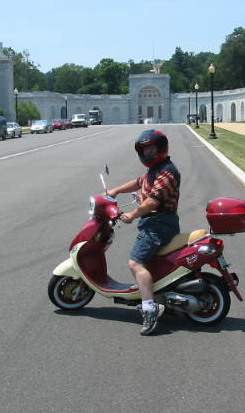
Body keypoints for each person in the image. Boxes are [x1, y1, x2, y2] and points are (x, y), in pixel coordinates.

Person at [108, 129, 181, 335]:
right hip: (155, 222)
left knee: (135, 263)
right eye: (145, 150)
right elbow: (138, 182)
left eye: (151, 149)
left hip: (159, 224)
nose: (148, 153)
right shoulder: (154, 170)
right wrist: (114, 191)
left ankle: (150, 309)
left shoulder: (167, 171)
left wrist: (131, 214)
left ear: (161, 148)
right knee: (146, 262)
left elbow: (152, 202)